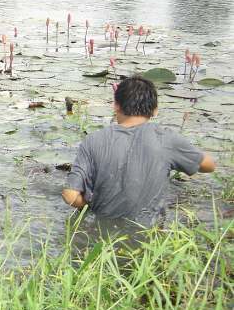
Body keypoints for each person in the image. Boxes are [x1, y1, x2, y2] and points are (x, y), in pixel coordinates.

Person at [61, 75, 216, 225]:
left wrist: (94, 203)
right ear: (155, 110)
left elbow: (70, 196)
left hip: (100, 236)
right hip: (149, 233)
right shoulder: (167, 139)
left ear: (116, 106)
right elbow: (209, 166)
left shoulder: (92, 140)